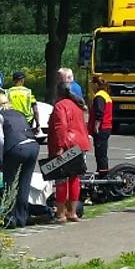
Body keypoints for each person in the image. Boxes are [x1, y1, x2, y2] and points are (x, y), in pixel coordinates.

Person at [0, 93, 40, 227]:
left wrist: (1, 157)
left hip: (16, 148)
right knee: (24, 183)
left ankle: (10, 218)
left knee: (9, 183)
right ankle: (22, 217)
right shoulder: (19, 113)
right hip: (33, 146)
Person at [49, 82, 90, 223]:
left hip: (66, 145)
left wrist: (59, 147)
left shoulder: (60, 106)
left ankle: (60, 214)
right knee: (74, 179)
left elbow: (61, 127)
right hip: (79, 144)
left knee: (61, 179)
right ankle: (72, 212)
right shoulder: (77, 105)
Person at [88, 74, 114, 173]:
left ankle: (102, 172)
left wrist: (96, 126)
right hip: (107, 127)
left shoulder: (99, 96)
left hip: (102, 128)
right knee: (102, 151)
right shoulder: (106, 95)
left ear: (96, 85)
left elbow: (99, 112)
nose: (91, 87)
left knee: (100, 153)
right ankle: (102, 170)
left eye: (92, 85)